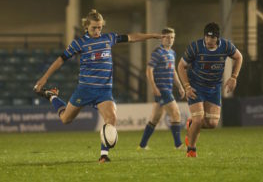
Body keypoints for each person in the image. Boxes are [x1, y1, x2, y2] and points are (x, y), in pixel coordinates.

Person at [33, 9, 163, 163]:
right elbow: (61, 59)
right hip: (85, 89)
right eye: (94, 27)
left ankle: (103, 155)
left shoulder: (109, 38)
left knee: (111, 117)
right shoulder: (79, 43)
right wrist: (45, 78)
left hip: (104, 91)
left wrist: (152, 35)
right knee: (66, 119)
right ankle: (52, 96)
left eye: (100, 27)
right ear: (86, 26)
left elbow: (132, 37)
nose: (97, 31)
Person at [177, 22, 243, 157]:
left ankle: (191, 125)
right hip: (196, 86)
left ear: (217, 38)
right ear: (204, 36)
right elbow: (180, 66)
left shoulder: (226, 45)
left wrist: (233, 77)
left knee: (212, 124)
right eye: (206, 37)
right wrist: (187, 87)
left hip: (214, 88)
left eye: (212, 39)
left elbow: (239, 57)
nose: (208, 41)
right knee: (199, 118)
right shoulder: (195, 46)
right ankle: (191, 149)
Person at [137, 27, 185, 150]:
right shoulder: (157, 52)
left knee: (155, 118)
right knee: (176, 113)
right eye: (167, 37)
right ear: (162, 38)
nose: (170, 40)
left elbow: (173, 71)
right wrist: (153, 87)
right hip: (162, 89)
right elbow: (149, 70)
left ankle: (142, 145)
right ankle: (178, 144)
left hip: (168, 88)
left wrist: (180, 86)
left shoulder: (172, 53)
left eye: (172, 37)